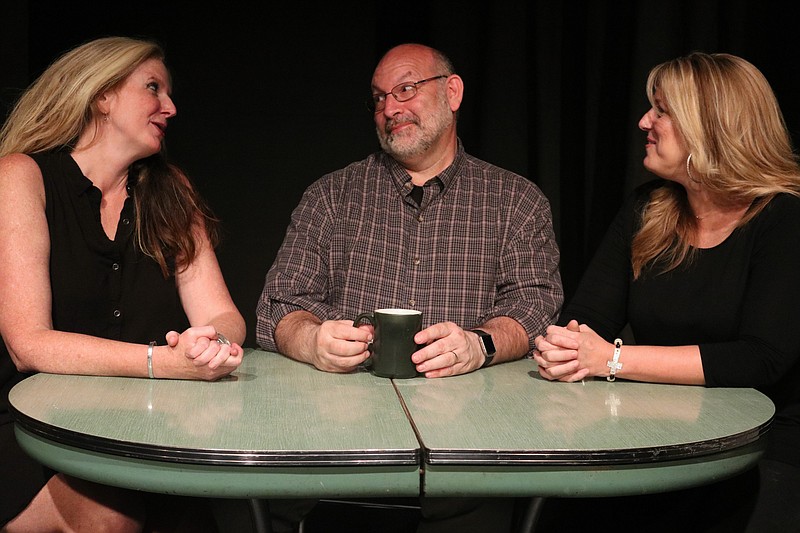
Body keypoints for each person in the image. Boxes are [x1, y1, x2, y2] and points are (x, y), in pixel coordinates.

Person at [256, 43, 562, 531]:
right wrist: (311, 341)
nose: (390, 109)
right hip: (342, 464)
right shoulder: (331, 196)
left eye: (406, 89)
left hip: (469, 463)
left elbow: (535, 305)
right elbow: (278, 307)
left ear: (453, 92)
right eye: (379, 99)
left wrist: (479, 345)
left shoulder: (515, 201)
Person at [533, 52, 800, 533]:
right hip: (664, 428)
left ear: (711, 126)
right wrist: (569, 346)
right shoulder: (647, 209)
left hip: (765, 447)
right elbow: (588, 313)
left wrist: (610, 360)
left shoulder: (784, 219)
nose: (644, 122)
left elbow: (762, 359)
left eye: (661, 110)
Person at [0, 37, 245, 532]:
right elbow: (28, 345)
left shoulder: (171, 190)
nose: (170, 107)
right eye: (153, 88)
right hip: (29, 426)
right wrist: (163, 364)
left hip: (142, 425)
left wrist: (210, 346)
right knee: (109, 518)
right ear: (102, 96)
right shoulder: (19, 177)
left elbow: (224, 316)